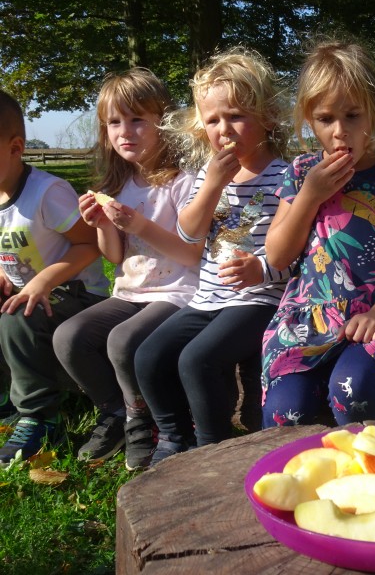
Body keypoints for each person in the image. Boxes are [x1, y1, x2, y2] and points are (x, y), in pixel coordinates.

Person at [260, 40, 375, 427]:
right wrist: (310, 195)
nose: (340, 132)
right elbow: (277, 256)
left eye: (353, 115)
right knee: (284, 411)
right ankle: (296, 468)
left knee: (352, 388)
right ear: (309, 119)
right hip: (308, 320)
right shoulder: (302, 173)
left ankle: (373, 464)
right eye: (325, 119)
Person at [134, 48, 291, 466]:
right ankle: (173, 436)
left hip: (259, 299)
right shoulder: (209, 174)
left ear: (268, 117)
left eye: (236, 116)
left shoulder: (286, 176)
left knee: (197, 359)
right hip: (207, 298)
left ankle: (211, 448)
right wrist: (213, 185)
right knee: (148, 356)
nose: (224, 130)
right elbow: (189, 231)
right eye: (213, 120)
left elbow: (298, 251)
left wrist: (262, 268)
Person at [52, 69, 201, 470]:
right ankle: (118, 412)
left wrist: (137, 224)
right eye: (114, 122)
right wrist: (102, 225)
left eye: (137, 119)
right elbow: (115, 257)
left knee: (121, 340)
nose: (125, 132)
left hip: (178, 292)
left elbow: (191, 255)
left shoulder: (184, 182)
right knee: (69, 337)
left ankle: (145, 422)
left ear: (163, 122)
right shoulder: (118, 184)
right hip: (132, 291)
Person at [0, 90, 109, 466]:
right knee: (16, 307)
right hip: (30, 290)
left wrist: (43, 281)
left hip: (78, 293)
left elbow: (90, 245)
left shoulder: (47, 193)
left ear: (15, 147)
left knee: (19, 316)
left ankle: (41, 417)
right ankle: (8, 396)